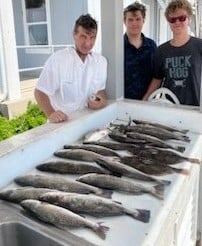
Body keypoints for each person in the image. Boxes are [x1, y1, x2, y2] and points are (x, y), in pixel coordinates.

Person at [34, 14, 107, 123]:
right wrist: (51, 113)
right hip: (63, 123)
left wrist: (101, 100)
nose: (88, 43)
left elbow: (100, 90)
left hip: (89, 120)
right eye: (83, 37)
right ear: (74, 35)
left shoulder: (100, 61)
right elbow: (40, 92)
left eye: (92, 37)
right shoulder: (59, 60)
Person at [143, 0, 202, 106]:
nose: (177, 22)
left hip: (195, 108)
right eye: (173, 19)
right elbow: (157, 79)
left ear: (189, 18)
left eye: (182, 18)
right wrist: (143, 103)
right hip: (168, 107)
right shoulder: (161, 51)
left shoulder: (199, 45)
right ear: (168, 21)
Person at [124, 1, 157, 100]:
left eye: (138, 19)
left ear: (144, 21)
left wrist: (146, 99)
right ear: (124, 21)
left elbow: (157, 76)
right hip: (123, 104)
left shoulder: (152, 46)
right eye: (130, 20)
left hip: (148, 102)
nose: (134, 23)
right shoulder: (118, 47)